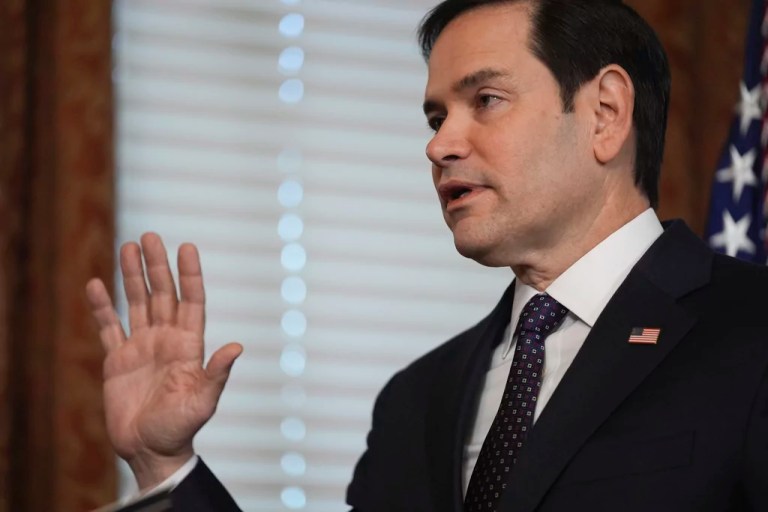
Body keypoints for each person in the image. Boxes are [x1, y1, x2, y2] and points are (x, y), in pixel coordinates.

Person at [87, 0, 768, 510]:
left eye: (486, 100)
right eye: (438, 117)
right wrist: (164, 464)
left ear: (605, 113)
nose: (439, 146)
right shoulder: (416, 400)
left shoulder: (752, 333)